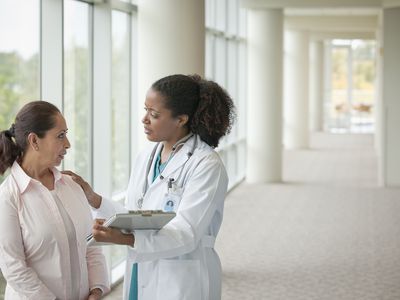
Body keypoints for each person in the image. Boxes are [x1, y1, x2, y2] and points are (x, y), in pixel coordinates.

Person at [65, 74, 235, 300]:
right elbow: (139, 216)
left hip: (181, 277)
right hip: (141, 268)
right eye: (146, 110)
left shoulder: (206, 164)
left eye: (154, 115)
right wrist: (94, 198)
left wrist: (124, 239)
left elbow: (187, 233)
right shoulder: (147, 155)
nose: (144, 119)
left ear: (181, 119)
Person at [0, 101, 109, 300]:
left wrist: (97, 290)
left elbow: (90, 246)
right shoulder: (8, 197)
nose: (68, 143)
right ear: (34, 141)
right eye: (60, 136)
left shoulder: (72, 185)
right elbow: (13, 268)